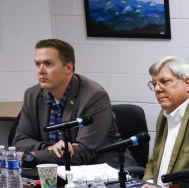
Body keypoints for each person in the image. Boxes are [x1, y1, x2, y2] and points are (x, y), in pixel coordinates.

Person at [13, 38, 120, 169]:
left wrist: (30, 157)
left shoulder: (94, 96)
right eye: (37, 64)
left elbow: (82, 153)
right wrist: (48, 147)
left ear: (68, 68)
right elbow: (19, 141)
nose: (40, 70)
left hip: (97, 174)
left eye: (48, 64)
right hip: (51, 171)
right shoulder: (32, 95)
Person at [141, 56, 189, 183]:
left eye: (164, 81)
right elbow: (155, 159)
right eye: (154, 84)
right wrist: (148, 184)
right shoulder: (165, 114)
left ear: (187, 84)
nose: (157, 89)